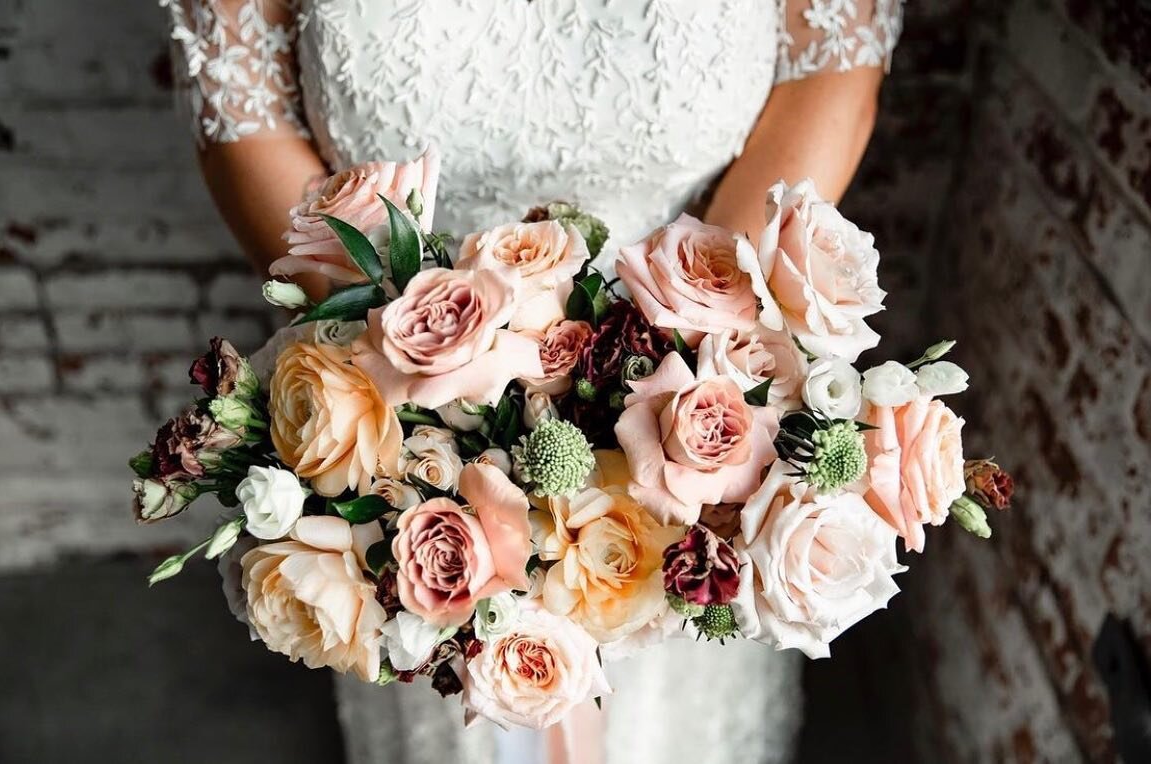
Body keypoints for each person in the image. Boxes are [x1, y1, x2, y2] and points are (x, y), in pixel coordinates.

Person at [162, 1, 903, 762]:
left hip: (696, 368)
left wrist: (683, 362)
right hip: (401, 391)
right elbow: (244, 113)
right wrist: (425, 389)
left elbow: (832, 74)